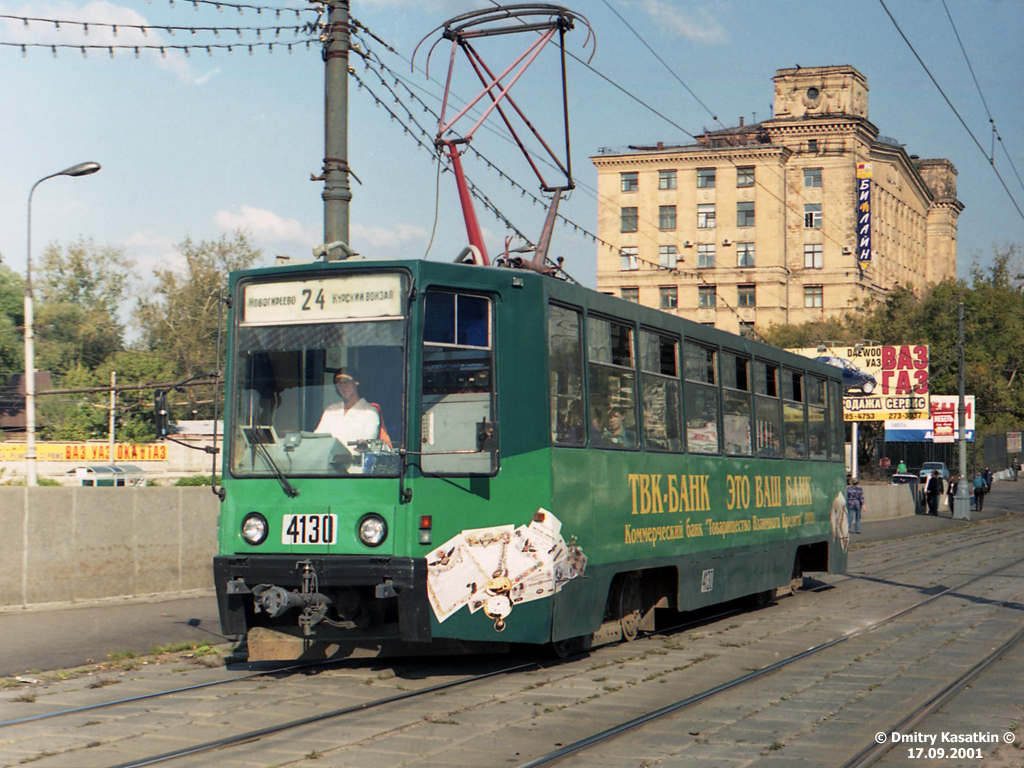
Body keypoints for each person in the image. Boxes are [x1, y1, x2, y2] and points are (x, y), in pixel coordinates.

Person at [315, 370, 385, 448]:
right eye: (339, 384)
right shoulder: (331, 410)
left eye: (346, 382)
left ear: (356, 382)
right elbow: (317, 438)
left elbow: (367, 444)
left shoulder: (369, 412)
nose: (343, 387)